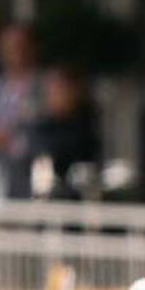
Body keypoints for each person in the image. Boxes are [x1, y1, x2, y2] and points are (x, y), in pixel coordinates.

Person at [0, 23, 42, 199]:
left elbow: (41, 133)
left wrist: (10, 141)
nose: (16, 52)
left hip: (30, 180)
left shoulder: (42, 87)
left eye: (21, 46)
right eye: (10, 47)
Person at [30, 66, 100, 199]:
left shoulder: (85, 128)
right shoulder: (40, 128)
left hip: (74, 205)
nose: (56, 95)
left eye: (62, 89)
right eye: (53, 90)